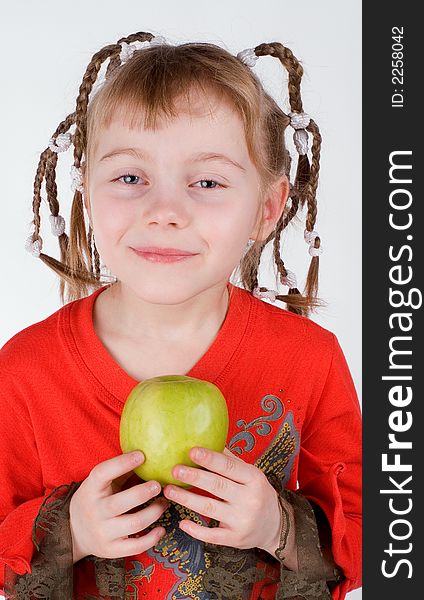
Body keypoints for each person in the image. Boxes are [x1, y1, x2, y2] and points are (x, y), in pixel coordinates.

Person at [0, 31, 362, 600]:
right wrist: (68, 532)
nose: (164, 211)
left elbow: (377, 536)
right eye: (129, 178)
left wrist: (279, 528)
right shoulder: (25, 369)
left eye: (208, 182)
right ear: (89, 192)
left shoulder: (310, 359)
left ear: (267, 208)